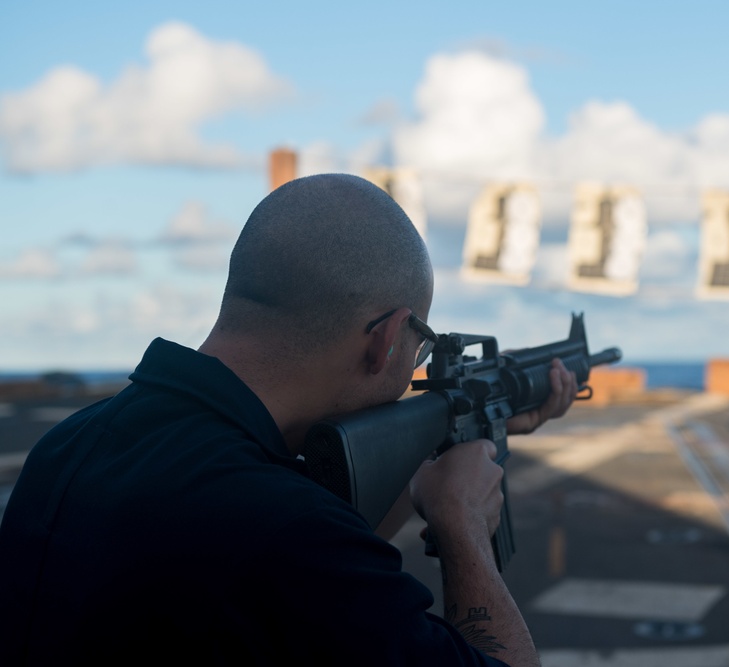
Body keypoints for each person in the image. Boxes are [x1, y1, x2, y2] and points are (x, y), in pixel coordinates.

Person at [0, 174, 576, 666]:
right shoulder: (282, 530)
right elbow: (310, 551)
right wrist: (463, 523)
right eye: (419, 347)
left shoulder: (68, 447)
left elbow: (323, 560)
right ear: (385, 340)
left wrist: (446, 440)